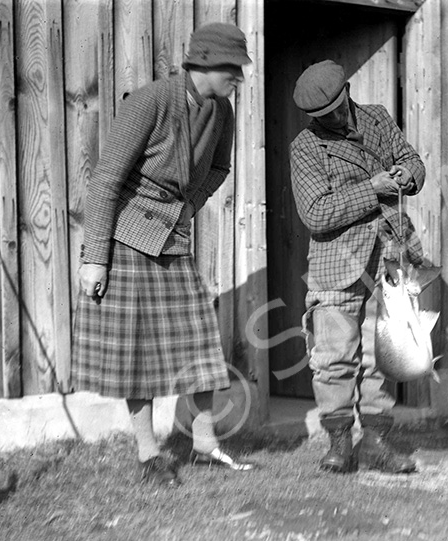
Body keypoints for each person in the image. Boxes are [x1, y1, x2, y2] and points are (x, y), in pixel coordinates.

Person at [72, 23, 255, 487]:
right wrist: (95, 256)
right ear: (205, 64)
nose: (239, 77)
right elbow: (105, 181)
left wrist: (191, 205)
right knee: (137, 352)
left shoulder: (222, 111)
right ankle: (148, 454)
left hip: (174, 236)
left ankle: (205, 443)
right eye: (233, 68)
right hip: (129, 238)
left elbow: (219, 167)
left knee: (200, 342)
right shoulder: (149, 103)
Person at [289, 60, 426, 475]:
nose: (331, 119)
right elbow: (316, 213)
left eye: (334, 108)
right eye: (320, 116)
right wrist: (374, 189)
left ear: (347, 90)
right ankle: (340, 445)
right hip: (337, 264)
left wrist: (407, 174)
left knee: (383, 355)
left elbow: (414, 162)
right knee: (333, 358)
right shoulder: (306, 146)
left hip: (392, 255)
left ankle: (378, 445)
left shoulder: (378, 119)